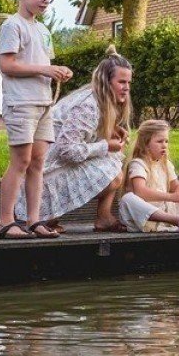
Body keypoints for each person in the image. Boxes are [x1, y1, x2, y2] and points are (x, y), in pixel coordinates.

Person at [0, 0, 72, 239]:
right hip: (21, 103)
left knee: (38, 162)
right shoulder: (11, 26)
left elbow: (42, 63)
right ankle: (5, 222)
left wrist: (57, 70)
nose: (45, 1)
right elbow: (7, 64)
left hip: (43, 103)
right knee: (21, 160)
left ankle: (34, 220)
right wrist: (45, 70)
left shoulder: (43, 30)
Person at [19, 52, 133, 232]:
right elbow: (68, 150)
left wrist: (110, 129)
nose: (126, 88)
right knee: (113, 166)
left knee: (113, 158)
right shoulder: (87, 105)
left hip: (48, 168)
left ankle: (101, 217)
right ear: (106, 82)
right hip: (44, 172)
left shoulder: (97, 100)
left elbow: (81, 134)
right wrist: (105, 145)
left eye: (128, 83)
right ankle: (46, 216)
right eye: (121, 82)